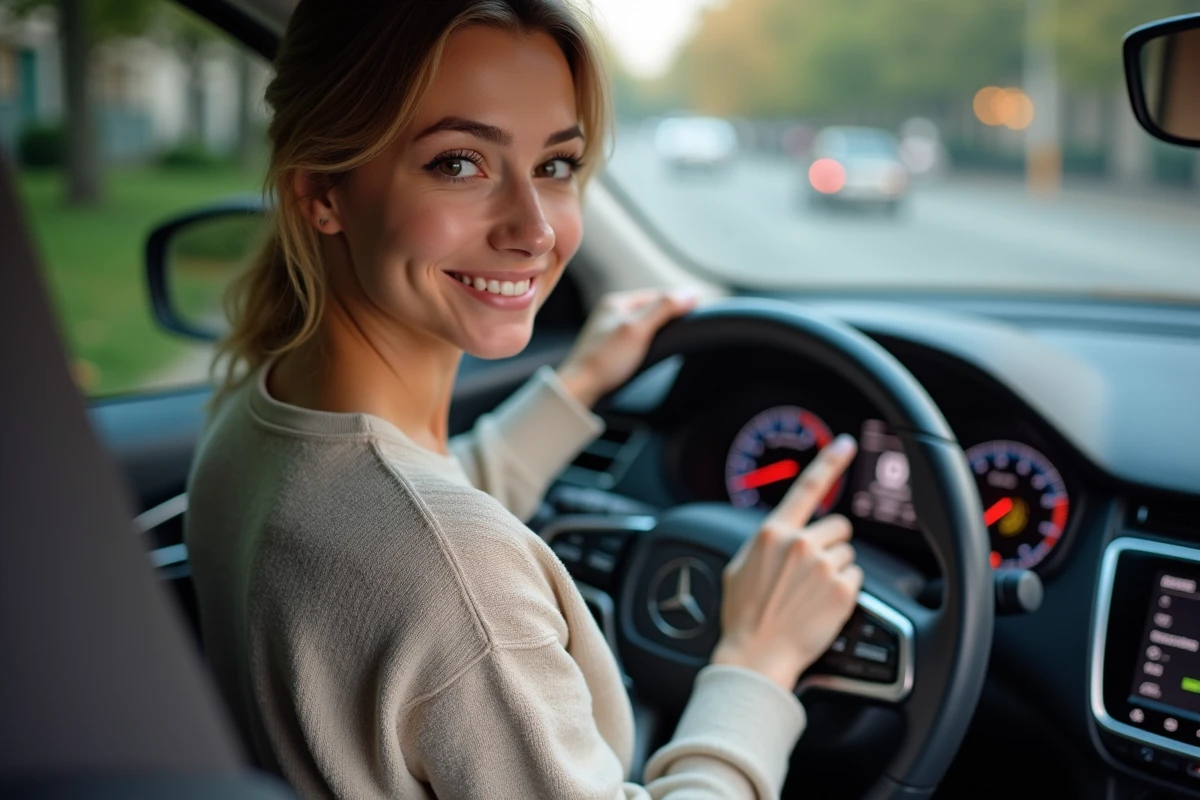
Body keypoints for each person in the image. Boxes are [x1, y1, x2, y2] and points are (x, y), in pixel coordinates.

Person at [184, 0, 863, 797]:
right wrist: (758, 661)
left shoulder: (260, 420)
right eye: (459, 163)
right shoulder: (451, 572)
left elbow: (410, 508)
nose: (535, 230)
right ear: (322, 194)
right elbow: (434, 549)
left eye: (556, 166)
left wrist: (576, 385)